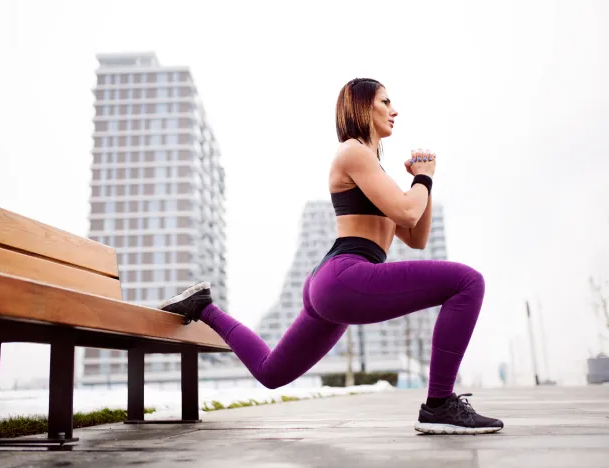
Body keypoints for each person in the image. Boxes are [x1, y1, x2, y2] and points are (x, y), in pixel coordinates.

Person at [158, 78, 503, 435]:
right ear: (363, 106)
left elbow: (416, 236)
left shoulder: (372, 169)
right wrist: (424, 180)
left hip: (335, 282)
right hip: (346, 274)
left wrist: (423, 181)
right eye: (386, 101)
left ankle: (203, 306)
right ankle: (439, 405)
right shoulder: (353, 152)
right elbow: (407, 211)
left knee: (271, 372)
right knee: (468, 282)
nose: (394, 110)